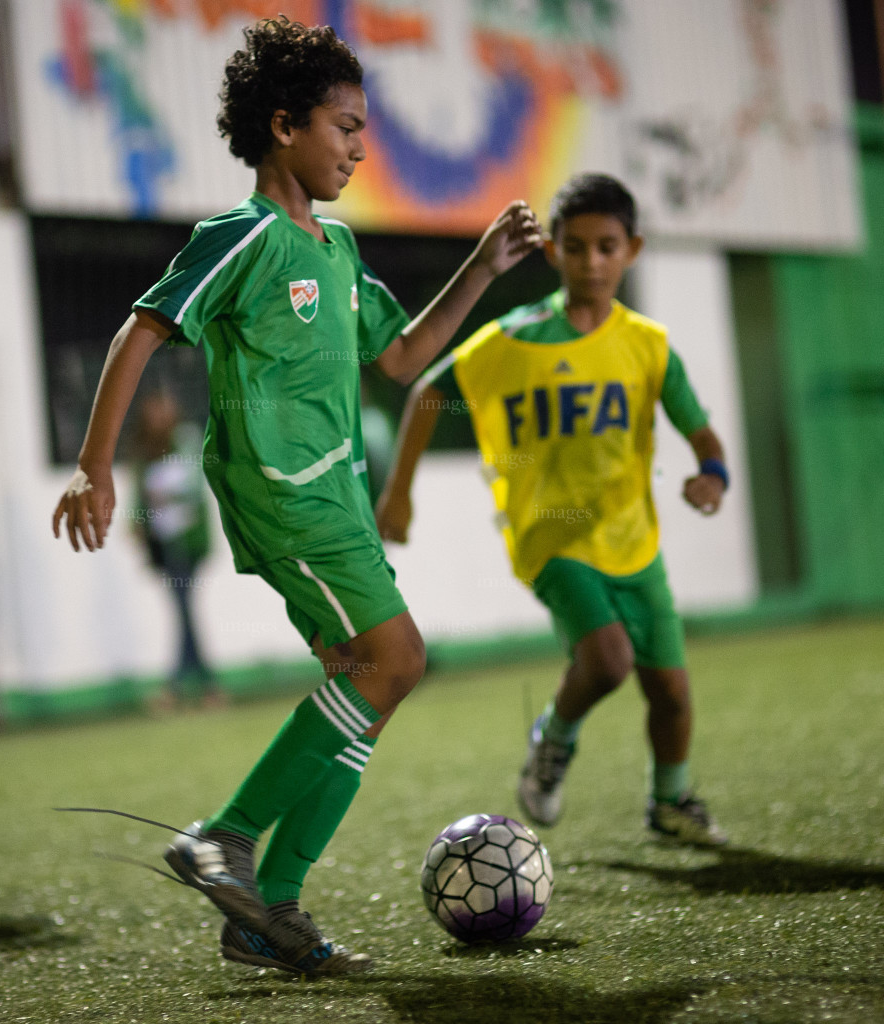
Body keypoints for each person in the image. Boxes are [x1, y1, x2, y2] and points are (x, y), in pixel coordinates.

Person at [51, 16, 540, 975]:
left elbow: (402, 359)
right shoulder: (244, 235)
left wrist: (480, 267)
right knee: (397, 658)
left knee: (374, 680)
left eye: (364, 130)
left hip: (336, 500)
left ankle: (266, 913)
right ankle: (224, 840)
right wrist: (94, 464)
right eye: (345, 126)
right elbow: (142, 331)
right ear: (284, 127)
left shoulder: (341, 249)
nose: (361, 147)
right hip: (281, 492)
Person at [377, 173, 730, 846]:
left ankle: (671, 800)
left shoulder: (648, 345)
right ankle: (552, 741)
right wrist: (399, 494)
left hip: (633, 542)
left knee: (674, 695)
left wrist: (712, 476)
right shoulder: (514, 339)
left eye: (607, 247)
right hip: (549, 537)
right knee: (608, 660)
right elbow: (427, 390)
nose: (592, 262)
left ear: (633, 249)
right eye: (576, 247)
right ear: (553, 253)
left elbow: (702, 433)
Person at [131, 390, 223, 711]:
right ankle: (205, 687)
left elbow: (192, 486)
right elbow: (140, 500)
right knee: (184, 614)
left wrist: (165, 499)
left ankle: (179, 687)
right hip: (165, 546)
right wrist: (138, 525)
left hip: (188, 543)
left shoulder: (187, 440)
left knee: (184, 612)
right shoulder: (145, 454)